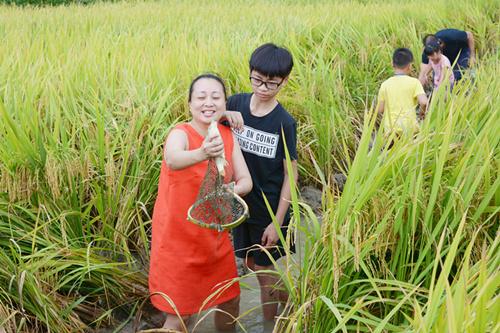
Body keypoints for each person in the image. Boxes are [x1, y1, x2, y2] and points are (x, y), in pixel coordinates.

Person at [149, 74, 252, 332]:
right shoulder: (181, 133)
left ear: (224, 103)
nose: (209, 102)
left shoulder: (227, 135)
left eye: (216, 97)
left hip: (214, 240)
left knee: (230, 300)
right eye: (201, 97)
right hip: (178, 242)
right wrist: (203, 152)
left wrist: (230, 190)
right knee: (179, 317)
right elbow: (173, 158)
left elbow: (245, 180)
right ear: (189, 104)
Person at [224, 43, 298, 322]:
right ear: (250, 73)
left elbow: (291, 175)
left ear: (284, 81)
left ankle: (270, 326)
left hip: (268, 211)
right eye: (257, 80)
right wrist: (223, 114)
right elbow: (206, 123)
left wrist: (278, 223)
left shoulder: (284, 122)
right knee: (252, 264)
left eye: (272, 83)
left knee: (265, 275)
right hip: (241, 206)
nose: (263, 88)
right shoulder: (236, 104)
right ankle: (294, 300)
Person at [377, 48, 428, 138]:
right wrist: (421, 114)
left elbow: (380, 110)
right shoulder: (415, 82)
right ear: (410, 66)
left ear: (392, 64)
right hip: (410, 129)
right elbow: (424, 102)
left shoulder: (385, 84)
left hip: (391, 130)